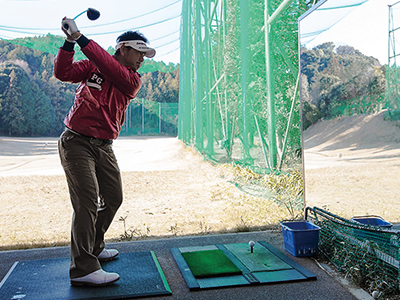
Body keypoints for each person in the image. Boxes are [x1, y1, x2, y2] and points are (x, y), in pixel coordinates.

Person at [54, 17, 155, 287]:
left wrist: (81, 37)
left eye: (145, 55)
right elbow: (63, 73)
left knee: (113, 197)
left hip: (104, 146)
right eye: (139, 53)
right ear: (123, 48)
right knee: (86, 202)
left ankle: (95, 246)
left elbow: (109, 67)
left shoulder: (132, 80)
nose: (142, 59)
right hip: (76, 142)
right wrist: (68, 42)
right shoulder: (92, 66)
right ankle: (83, 268)